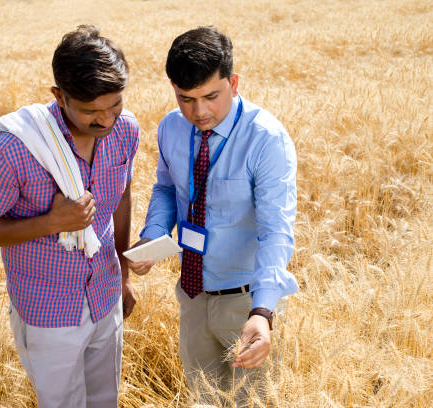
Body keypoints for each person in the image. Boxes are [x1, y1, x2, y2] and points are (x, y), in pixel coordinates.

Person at [0, 25, 139, 408]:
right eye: (91, 111)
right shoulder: (15, 149)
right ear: (59, 96)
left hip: (105, 294)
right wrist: (51, 223)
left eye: (115, 105)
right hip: (48, 309)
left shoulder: (125, 131)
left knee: (106, 399)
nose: (106, 120)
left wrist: (122, 274)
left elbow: (122, 197)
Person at [129, 26, 298, 403]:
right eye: (186, 98)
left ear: (234, 82)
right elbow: (167, 188)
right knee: (203, 399)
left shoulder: (266, 139)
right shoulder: (172, 127)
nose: (199, 111)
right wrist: (153, 234)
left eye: (211, 96)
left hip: (247, 303)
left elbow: (277, 232)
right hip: (192, 296)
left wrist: (263, 312)